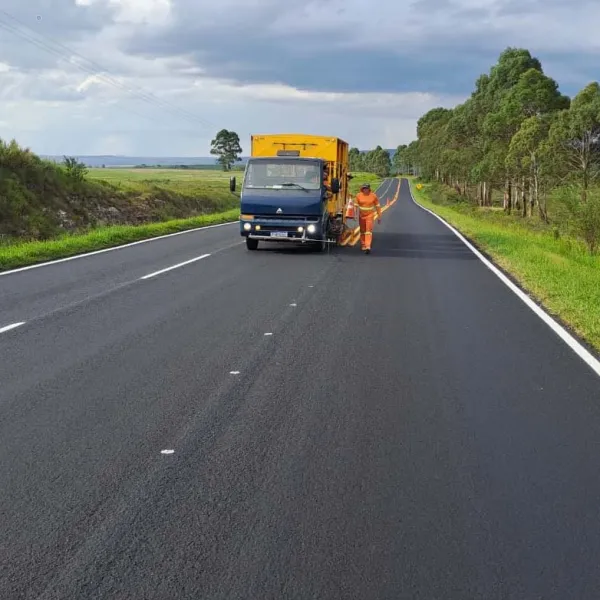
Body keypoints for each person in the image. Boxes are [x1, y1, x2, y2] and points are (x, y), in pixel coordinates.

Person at [354, 183, 381, 254]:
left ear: (369, 189)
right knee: (362, 231)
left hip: (370, 215)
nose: (365, 190)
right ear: (362, 189)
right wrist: (355, 215)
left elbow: (378, 206)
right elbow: (355, 206)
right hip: (361, 216)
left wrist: (379, 216)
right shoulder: (358, 195)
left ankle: (368, 246)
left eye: (366, 188)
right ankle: (363, 245)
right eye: (364, 188)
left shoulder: (373, 196)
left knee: (368, 230)